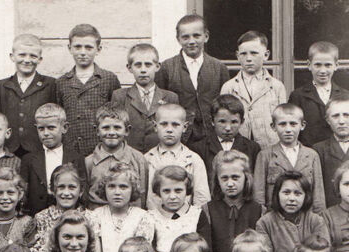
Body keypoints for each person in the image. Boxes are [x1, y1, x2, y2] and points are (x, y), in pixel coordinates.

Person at [155, 14, 230, 145]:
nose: (191, 41)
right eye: (185, 37)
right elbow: (161, 103)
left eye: (196, 35)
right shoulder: (167, 68)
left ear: (206, 36)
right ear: (178, 39)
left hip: (211, 135)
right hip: (180, 136)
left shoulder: (219, 68)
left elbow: (225, 103)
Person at [55, 24, 121, 156]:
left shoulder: (108, 78)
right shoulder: (61, 82)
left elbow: (117, 116)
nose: (83, 52)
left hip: (102, 149)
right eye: (77, 47)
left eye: (89, 47)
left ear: (98, 49)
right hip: (72, 150)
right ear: (69, 48)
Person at [257, 171, 330, 252]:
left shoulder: (316, 221)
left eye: (297, 193)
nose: (292, 198)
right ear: (277, 194)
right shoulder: (265, 223)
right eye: (286, 192)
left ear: (306, 196)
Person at [220, 31, 287, 150]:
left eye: (254, 53)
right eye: (244, 54)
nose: (249, 58)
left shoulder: (276, 87)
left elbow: (282, 121)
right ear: (237, 56)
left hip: (269, 148)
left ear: (266, 55)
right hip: (239, 149)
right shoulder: (229, 87)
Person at [254, 103, 325, 212]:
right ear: (273, 126)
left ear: (302, 125)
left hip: (305, 221)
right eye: (282, 124)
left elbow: (318, 197)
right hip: (275, 221)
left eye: (293, 124)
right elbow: (259, 197)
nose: (288, 129)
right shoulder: (265, 156)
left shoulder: (312, 155)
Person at [205, 150, 263, 252]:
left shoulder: (259, 210)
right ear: (217, 180)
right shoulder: (207, 210)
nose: (230, 183)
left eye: (235, 177)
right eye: (224, 178)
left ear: (246, 177)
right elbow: (207, 251)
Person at [0, 34, 57, 158]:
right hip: (9, 149)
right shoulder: (3, 85)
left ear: (40, 59)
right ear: (12, 57)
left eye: (33, 56)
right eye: (22, 55)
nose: (27, 60)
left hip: (39, 148)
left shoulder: (50, 84)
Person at [20, 104, 87, 215]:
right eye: (41, 129)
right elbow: (24, 194)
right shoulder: (28, 159)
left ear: (64, 128)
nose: (46, 133)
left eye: (51, 128)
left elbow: (83, 192)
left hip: (69, 216)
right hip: (37, 216)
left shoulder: (76, 158)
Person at [111, 43, 179, 153]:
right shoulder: (120, 96)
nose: (143, 70)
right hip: (129, 157)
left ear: (157, 67)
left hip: (160, 157)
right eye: (138, 65)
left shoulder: (171, 98)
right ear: (129, 68)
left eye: (148, 65)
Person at [144, 103, 211, 210]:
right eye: (164, 124)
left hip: (185, 221)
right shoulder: (146, 160)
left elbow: (201, 199)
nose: (169, 129)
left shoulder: (194, 160)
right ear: (155, 126)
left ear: (184, 127)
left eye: (175, 124)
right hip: (152, 220)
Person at [150, 165, 212, 252]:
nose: (172, 196)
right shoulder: (151, 217)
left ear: (187, 190)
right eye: (166, 191)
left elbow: (206, 250)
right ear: (158, 192)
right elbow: (148, 251)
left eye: (178, 191)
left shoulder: (197, 215)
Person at [288, 41, 349, 148]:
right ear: (309, 65)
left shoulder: (344, 95)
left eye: (328, 65)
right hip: (309, 154)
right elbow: (293, 128)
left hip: (335, 153)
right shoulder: (298, 95)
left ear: (336, 66)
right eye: (318, 65)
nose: (323, 70)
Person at [85, 103, 150, 207]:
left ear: (127, 130)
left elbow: (142, 195)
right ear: (97, 131)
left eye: (117, 127)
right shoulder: (88, 162)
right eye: (106, 128)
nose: (111, 132)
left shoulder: (138, 159)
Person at [88, 162, 154, 252]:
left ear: (133, 189)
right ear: (104, 188)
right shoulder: (96, 216)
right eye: (111, 186)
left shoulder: (143, 217)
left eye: (123, 187)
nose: (117, 192)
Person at [191, 94, 260, 185]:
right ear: (212, 121)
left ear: (242, 122)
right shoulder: (199, 148)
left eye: (234, 122)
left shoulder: (252, 148)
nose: (228, 128)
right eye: (222, 121)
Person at [31, 164, 88, 252]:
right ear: (52, 190)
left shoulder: (89, 218)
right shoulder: (41, 218)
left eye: (72, 187)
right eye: (61, 187)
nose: (66, 193)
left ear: (81, 191)